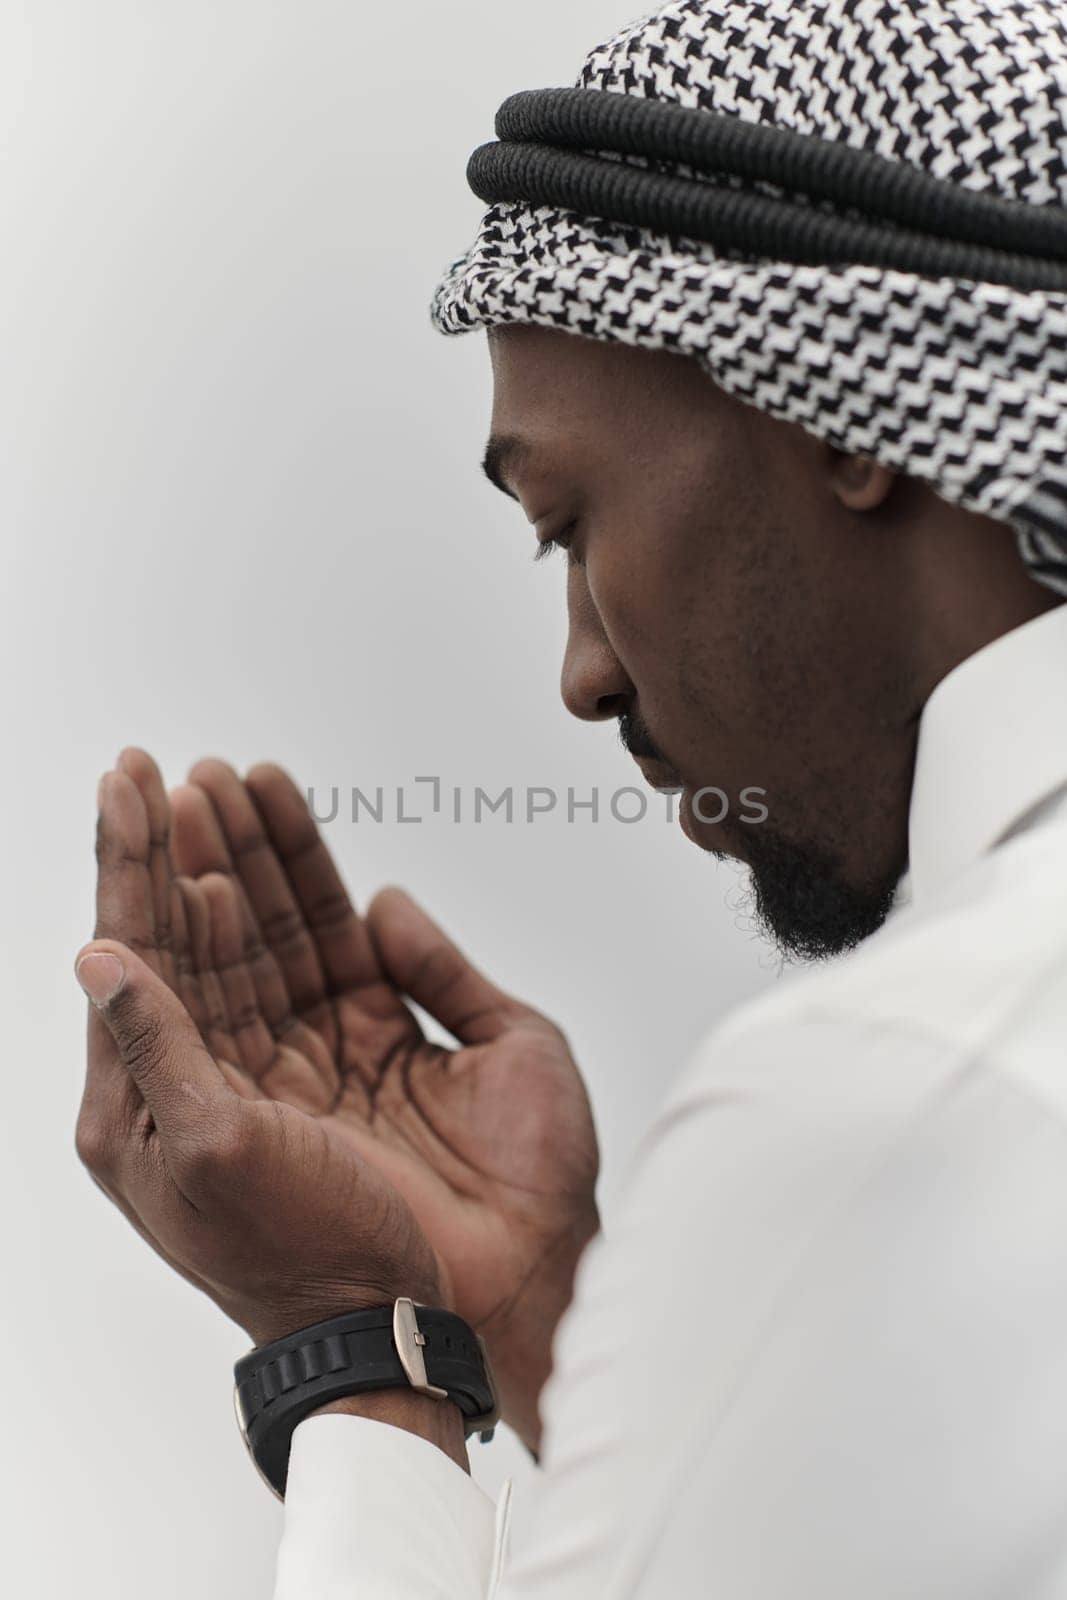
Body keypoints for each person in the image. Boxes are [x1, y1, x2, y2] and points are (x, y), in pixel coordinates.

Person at [74, 2, 1067, 1594]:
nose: (583, 675)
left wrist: (359, 1357)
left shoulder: (900, 1099)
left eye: (565, 522)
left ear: (836, 415)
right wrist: (548, 1322)